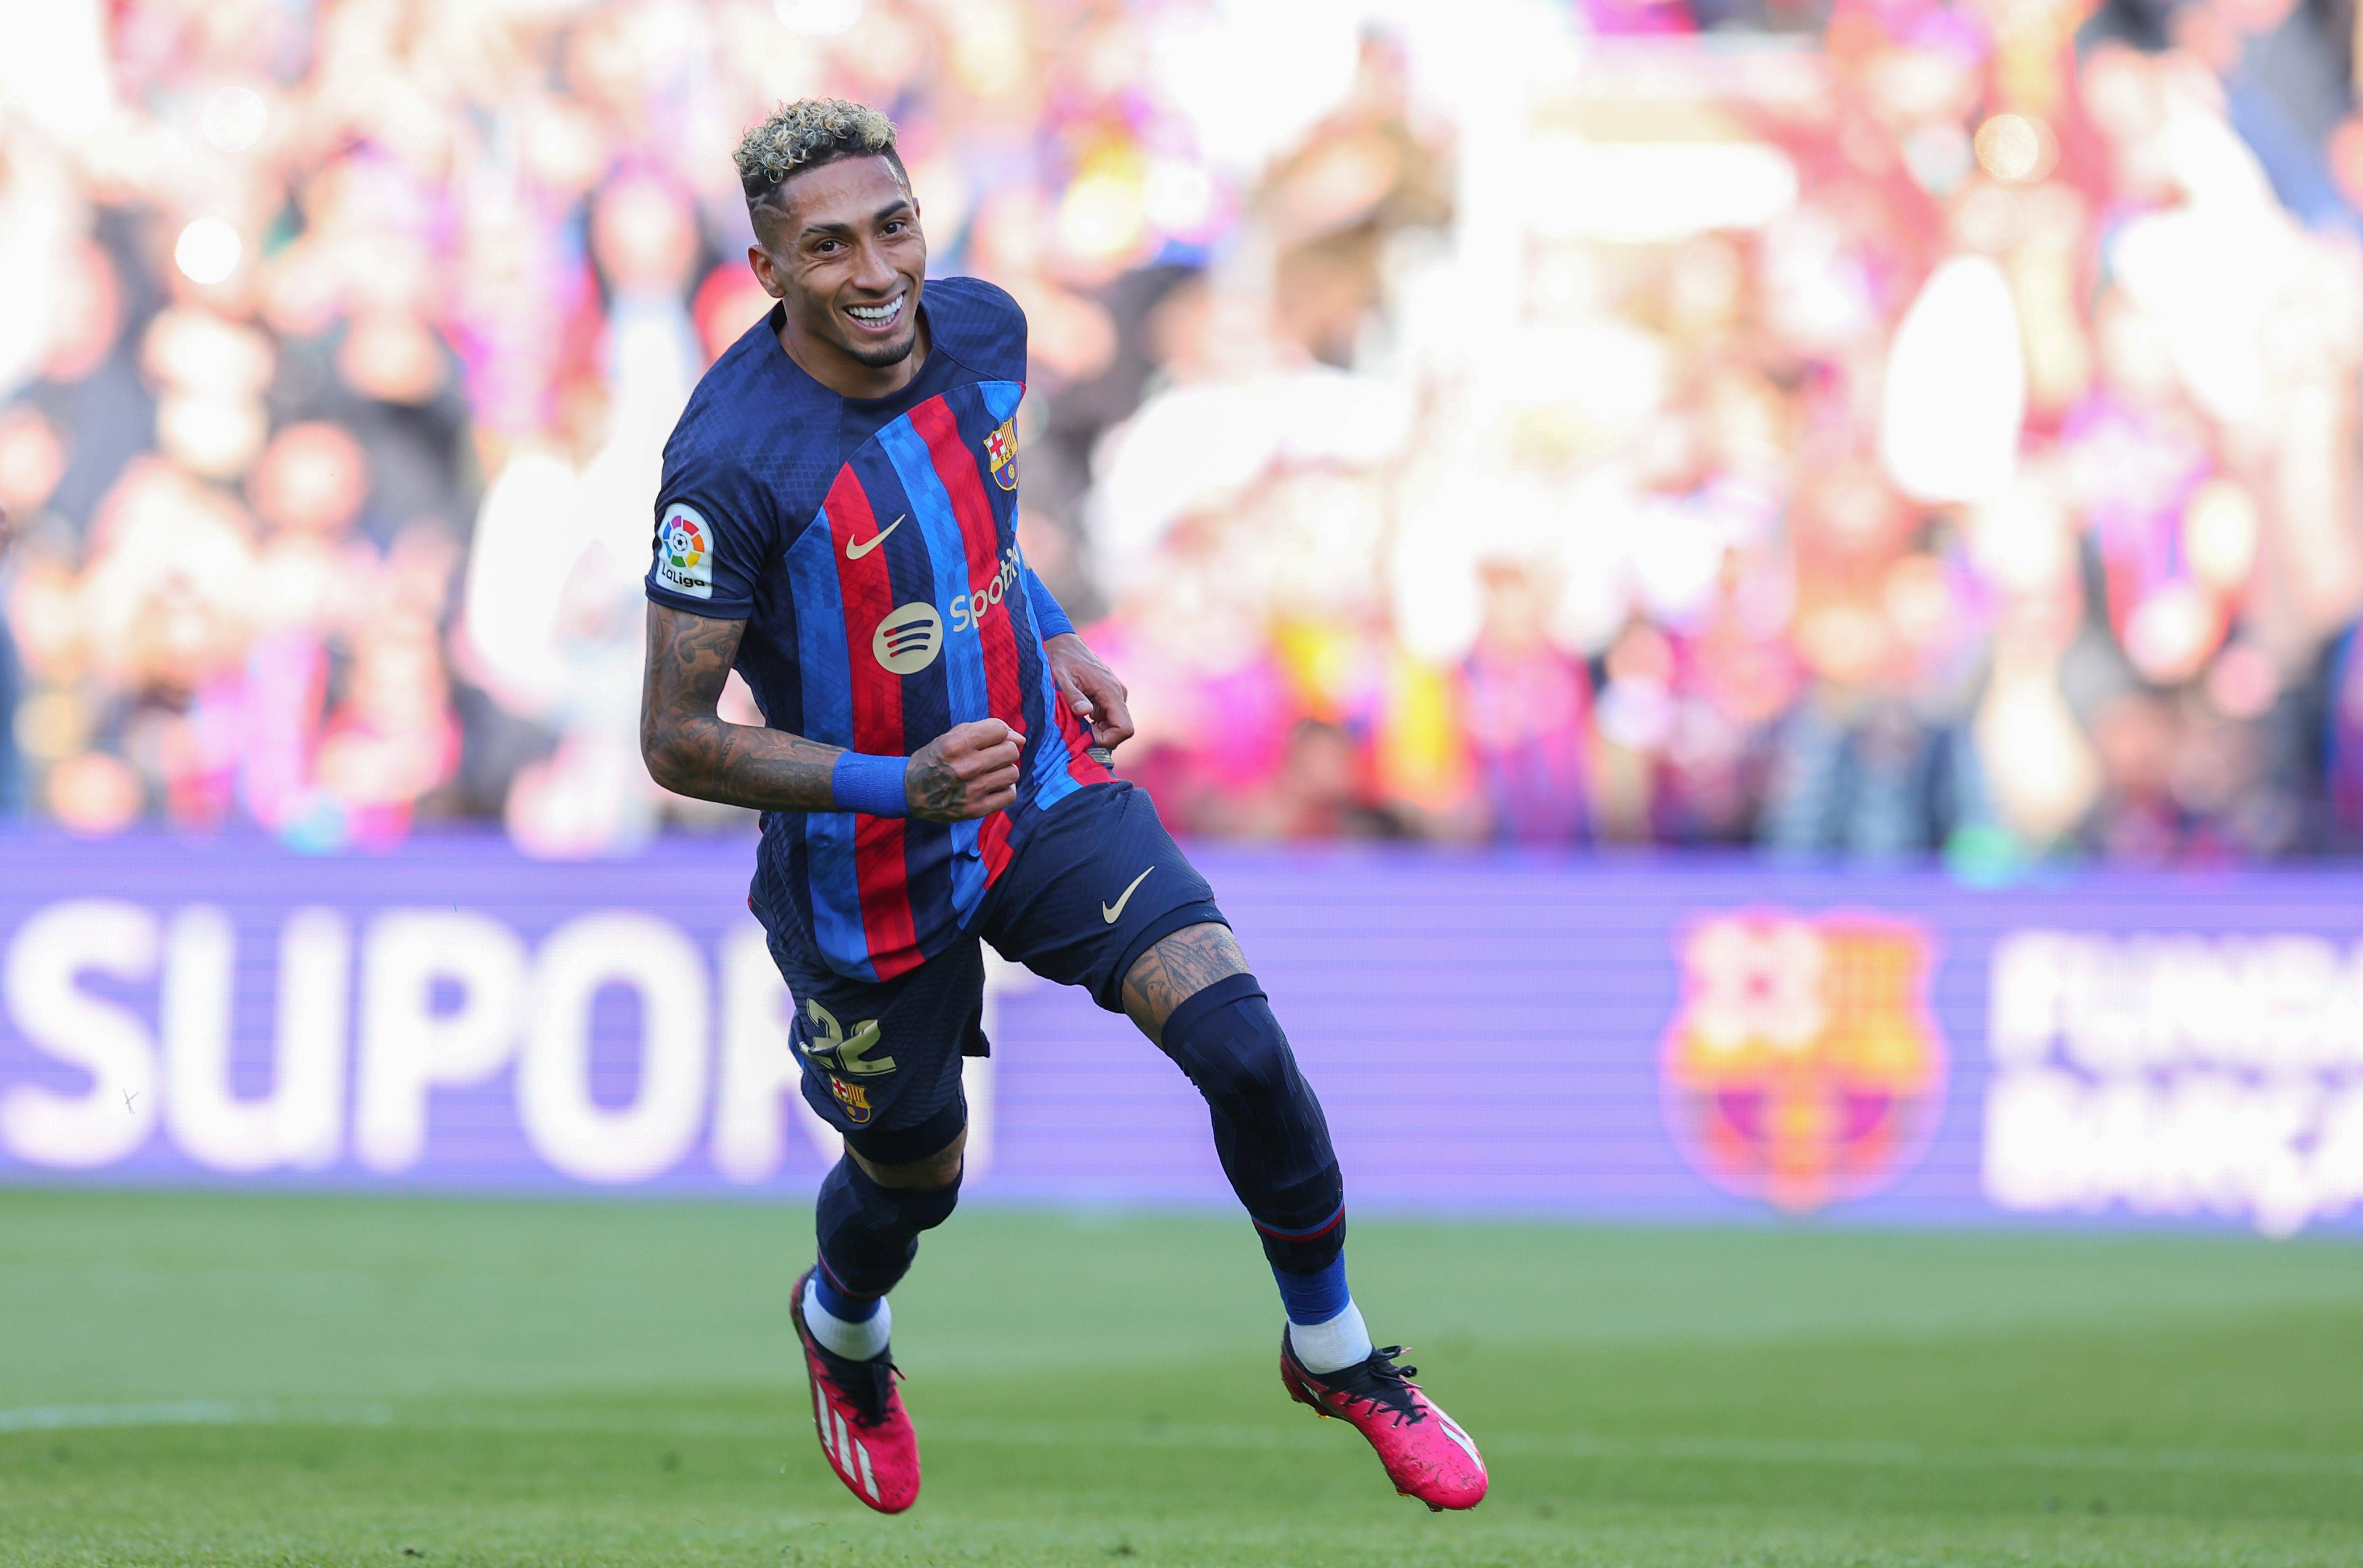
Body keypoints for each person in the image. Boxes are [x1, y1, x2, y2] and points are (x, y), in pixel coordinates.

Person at [638, 99, 1485, 1517]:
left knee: (1240, 1040)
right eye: (828, 245)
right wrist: (891, 781)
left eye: (893, 226)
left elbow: (976, 530)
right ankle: (843, 1324)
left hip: (1034, 785)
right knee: (914, 1177)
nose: (875, 269)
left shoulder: (985, 336)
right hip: (868, 866)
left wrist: (1054, 634)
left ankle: (1334, 1348)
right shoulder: (728, 464)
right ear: (769, 269)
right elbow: (672, 736)